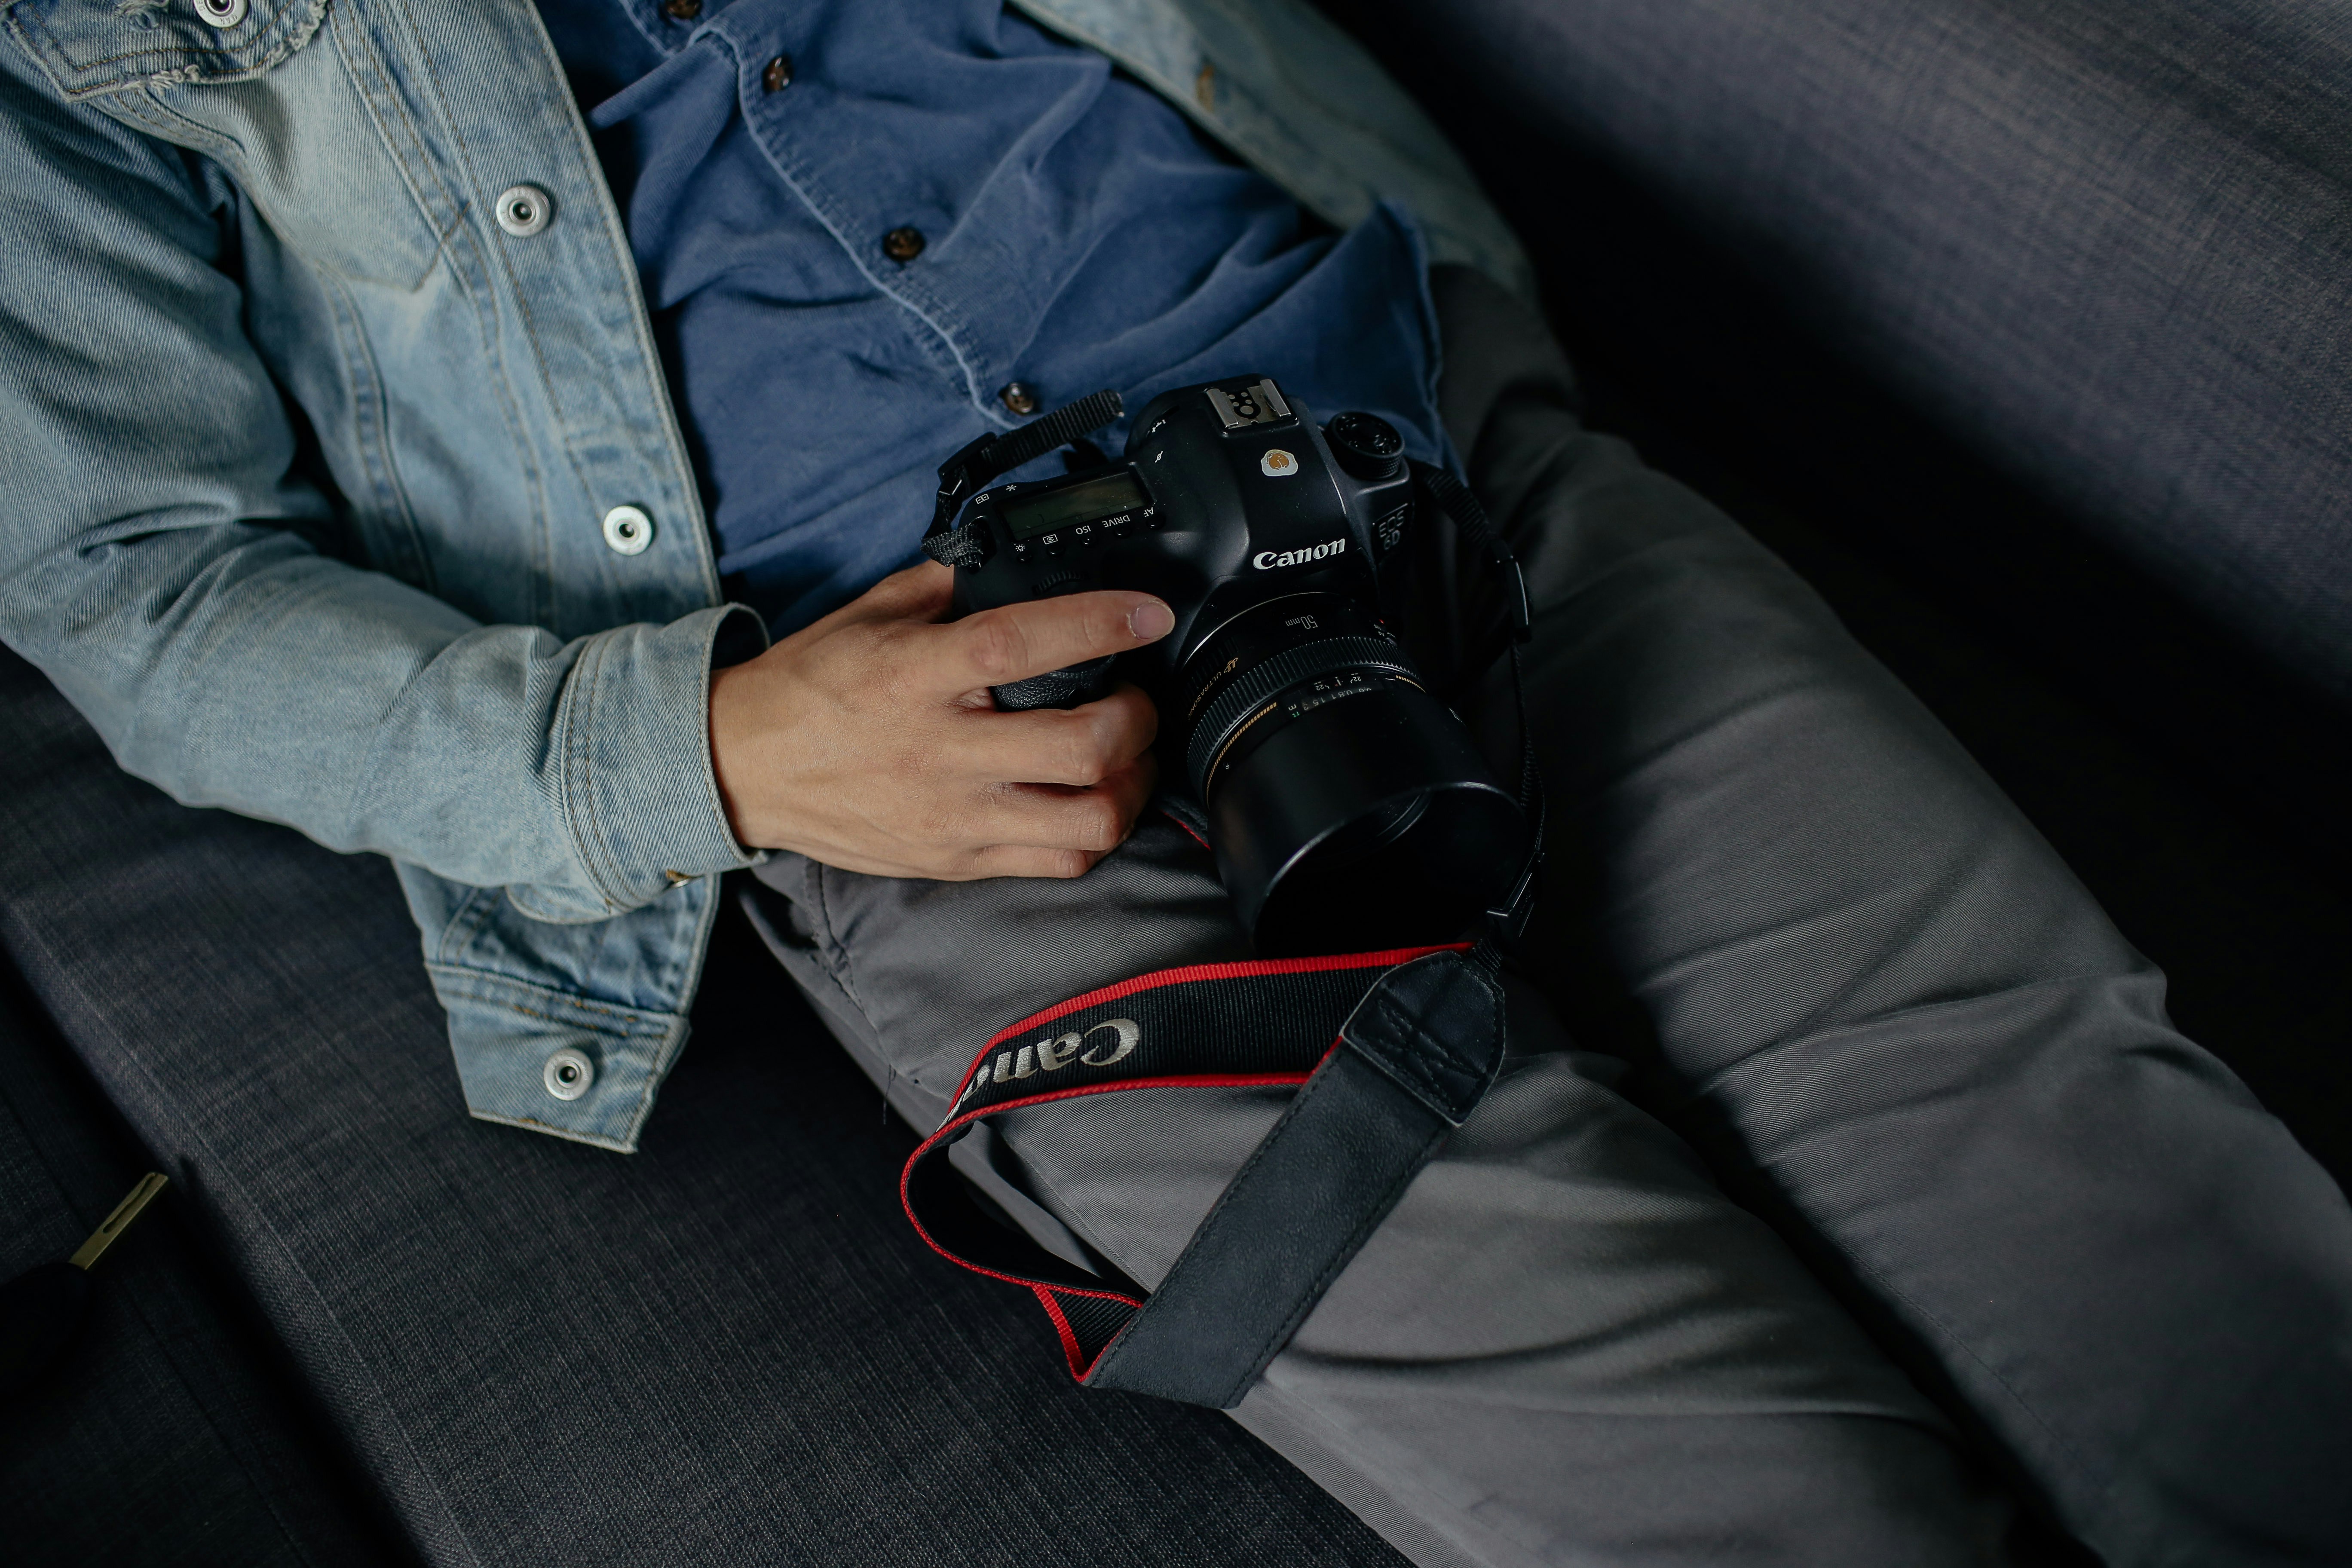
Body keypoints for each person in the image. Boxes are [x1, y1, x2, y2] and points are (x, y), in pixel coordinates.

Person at [2, 0, 2346, 1564]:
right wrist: (707, 752)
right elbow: (139, 589)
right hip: (929, 740)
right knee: (1682, 1481)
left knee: (2076, 1155)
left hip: (1388, 421)